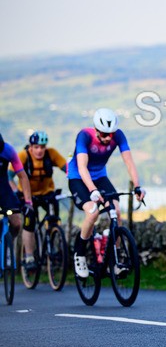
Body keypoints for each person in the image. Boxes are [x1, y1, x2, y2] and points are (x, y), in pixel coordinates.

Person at [68, 108, 145, 278]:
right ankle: (79, 255)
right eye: (104, 134)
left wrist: (137, 186)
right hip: (79, 178)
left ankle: (114, 259)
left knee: (116, 211)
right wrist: (93, 190)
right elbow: (82, 167)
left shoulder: (118, 136)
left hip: (100, 176)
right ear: (96, 130)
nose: (108, 138)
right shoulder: (84, 136)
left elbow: (129, 162)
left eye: (111, 134)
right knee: (92, 212)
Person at [9, 131, 68, 269]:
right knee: (29, 222)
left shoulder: (51, 153)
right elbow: (9, 175)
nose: (40, 150)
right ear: (30, 147)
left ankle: (52, 246)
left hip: (47, 193)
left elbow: (66, 168)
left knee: (54, 220)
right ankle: (29, 256)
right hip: (28, 196)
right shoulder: (23, 156)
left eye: (42, 147)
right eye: (36, 147)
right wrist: (16, 191)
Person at [0, 133, 33, 253]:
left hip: (3, 188)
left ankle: (8, 245)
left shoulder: (8, 150)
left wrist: (28, 202)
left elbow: (22, 176)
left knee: (17, 222)